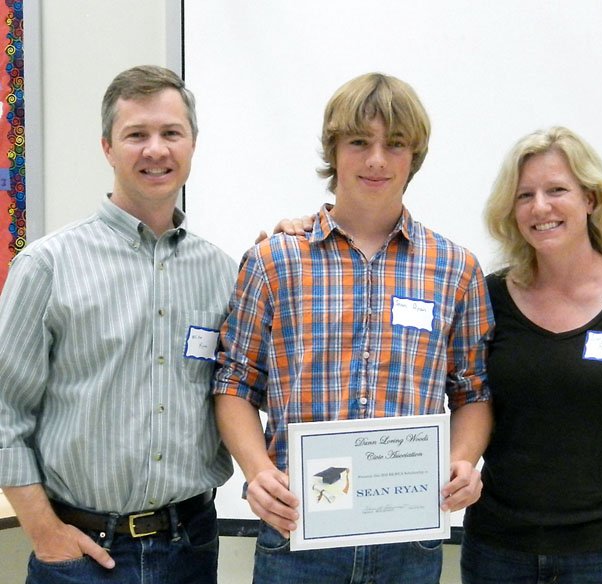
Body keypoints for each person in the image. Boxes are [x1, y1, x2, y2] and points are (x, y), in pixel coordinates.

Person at [212, 72, 495, 584]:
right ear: (333, 148)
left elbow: (473, 390)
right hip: (298, 532)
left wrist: (461, 461)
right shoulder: (274, 262)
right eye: (359, 142)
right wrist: (257, 473)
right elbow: (233, 381)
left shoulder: (456, 269)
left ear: (415, 156)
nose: (377, 160)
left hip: (409, 539)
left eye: (396, 144)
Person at [0, 65, 240, 583]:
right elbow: (4, 412)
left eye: (171, 133)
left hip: (190, 547)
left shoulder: (223, 273)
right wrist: (43, 531)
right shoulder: (47, 266)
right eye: (137, 135)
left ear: (192, 144)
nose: (156, 149)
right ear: (108, 147)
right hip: (80, 552)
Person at [461, 126, 602, 583]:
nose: (540, 207)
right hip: (499, 552)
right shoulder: (488, 298)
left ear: (591, 199)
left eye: (557, 190)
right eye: (524, 195)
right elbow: (464, 399)